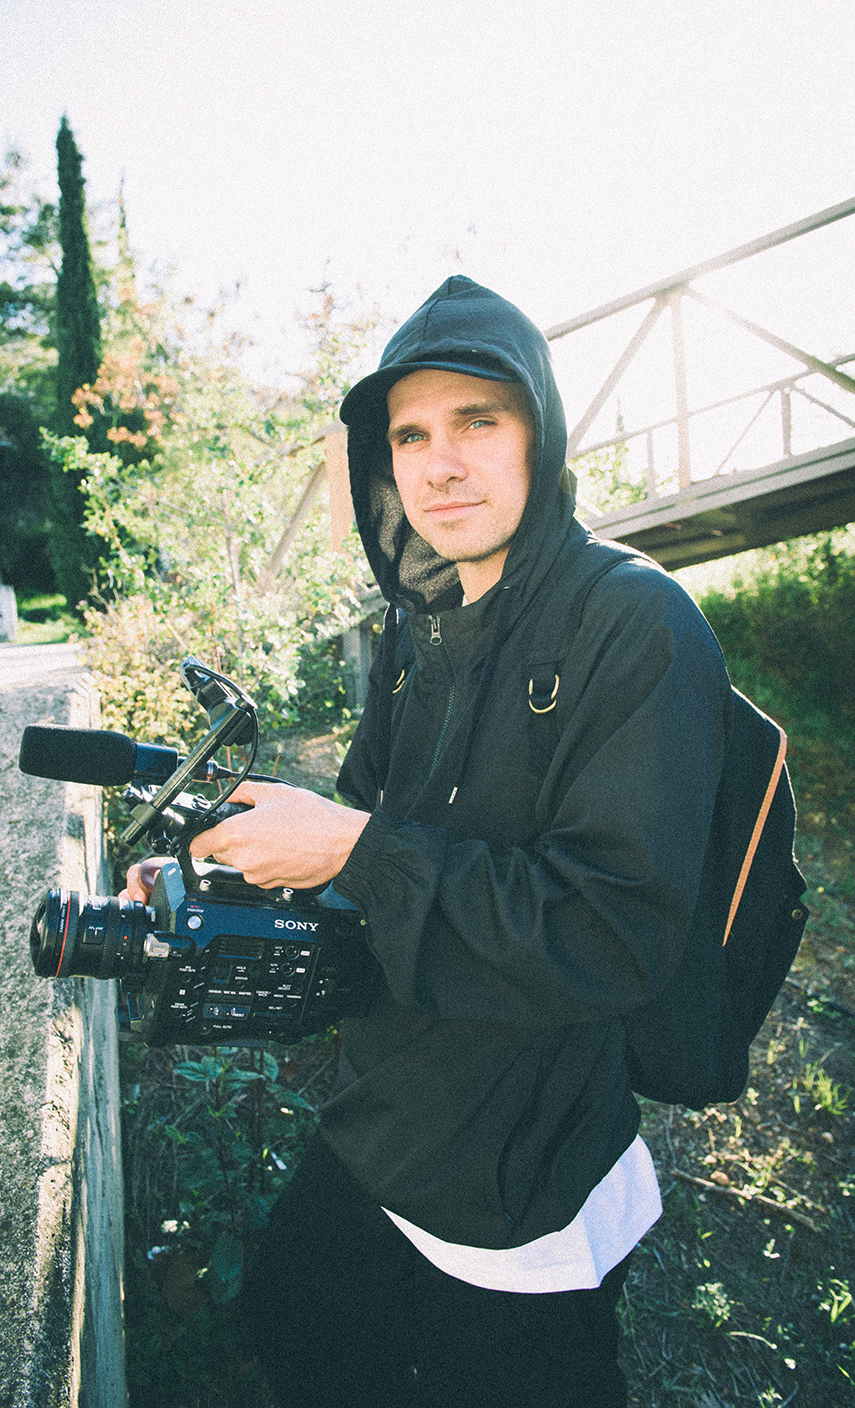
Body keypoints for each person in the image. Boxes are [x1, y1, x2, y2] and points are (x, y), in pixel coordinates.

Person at [124, 276, 732, 1406]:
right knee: (297, 1326)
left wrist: (355, 848)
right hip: (385, 1110)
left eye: (477, 421)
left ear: (539, 436)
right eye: (410, 433)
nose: (439, 461)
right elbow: (361, 837)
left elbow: (609, 933)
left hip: (521, 1171)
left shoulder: (639, 625)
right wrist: (217, 872)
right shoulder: (416, 630)